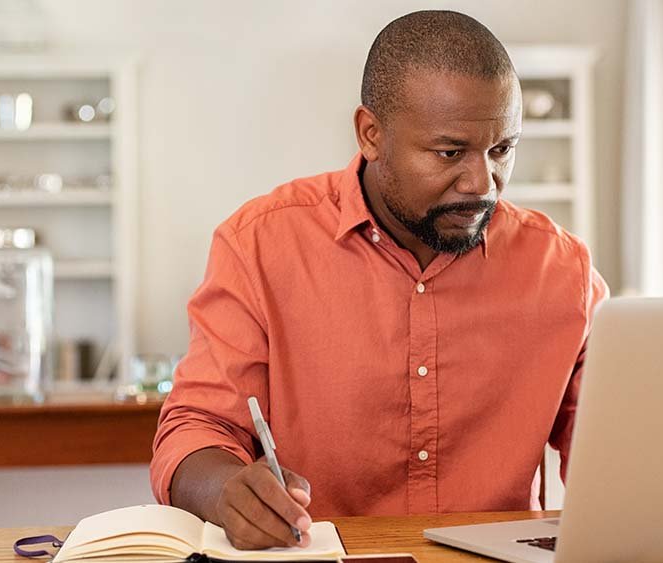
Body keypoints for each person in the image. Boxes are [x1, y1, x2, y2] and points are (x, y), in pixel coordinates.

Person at [150, 9, 609, 551]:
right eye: (450, 152)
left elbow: (617, 457)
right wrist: (226, 490)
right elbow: (194, 428)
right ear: (370, 134)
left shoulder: (563, 272)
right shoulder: (259, 245)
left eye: (501, 149)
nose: (483, 183)